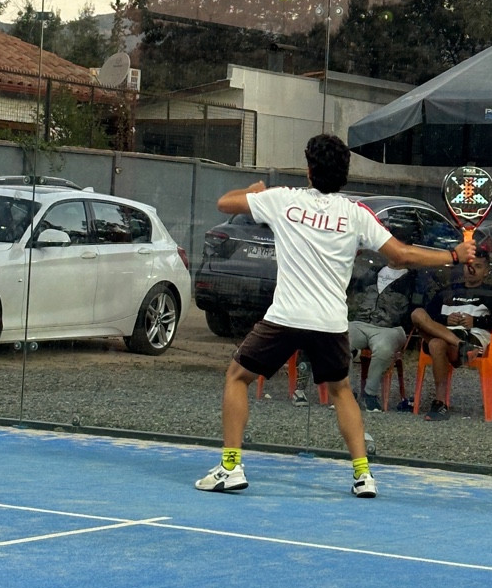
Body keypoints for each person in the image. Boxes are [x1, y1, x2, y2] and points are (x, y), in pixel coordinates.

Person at [196, 133, 475, 497]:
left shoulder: (282, 199)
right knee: (341, 391)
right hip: (329, 324)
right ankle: (363, 477)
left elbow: (224, 203)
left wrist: (253, 190)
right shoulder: (356, 214)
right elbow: (402, 255)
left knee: (237, 376)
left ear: (309, 170)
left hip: (286, 318)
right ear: (343, 175)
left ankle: (231, 467)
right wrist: (453, 255)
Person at [410, 240, 492, 420]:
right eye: (468, 265)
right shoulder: (448, 291)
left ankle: (440, 403)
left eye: (478, 266)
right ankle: (459, 344)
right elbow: (428, 316)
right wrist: (445, 319)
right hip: (450, 337)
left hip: (471, 338)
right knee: (417, 314)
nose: (471, 270)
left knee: (436, 344)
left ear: (486, 271)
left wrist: (476, 321)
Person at [346, 251, 426, 411]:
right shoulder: (372, 272)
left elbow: (418, 307)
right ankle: (346, 392)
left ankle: (370, 394)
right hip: (361, 322)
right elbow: (354, 293)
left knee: (383, 348)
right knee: (340, 339)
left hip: (392, 328)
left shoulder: (414, 279)